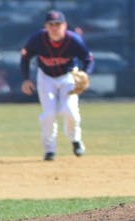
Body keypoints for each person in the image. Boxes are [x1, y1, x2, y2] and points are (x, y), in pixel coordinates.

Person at [20, 10, 94, 161]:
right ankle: (49, 150)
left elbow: (88, 59)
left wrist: (85, 73)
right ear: (45, 26)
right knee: (49, 114)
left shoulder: (74, 40)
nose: (55, 28)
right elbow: (25, 57)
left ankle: (76, 140)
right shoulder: (38, 39)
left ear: (65, 26)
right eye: (51, 24)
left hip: (68, 76)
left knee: (70, 111)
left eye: (58, 24)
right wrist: (26, 79)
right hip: (46, 77)